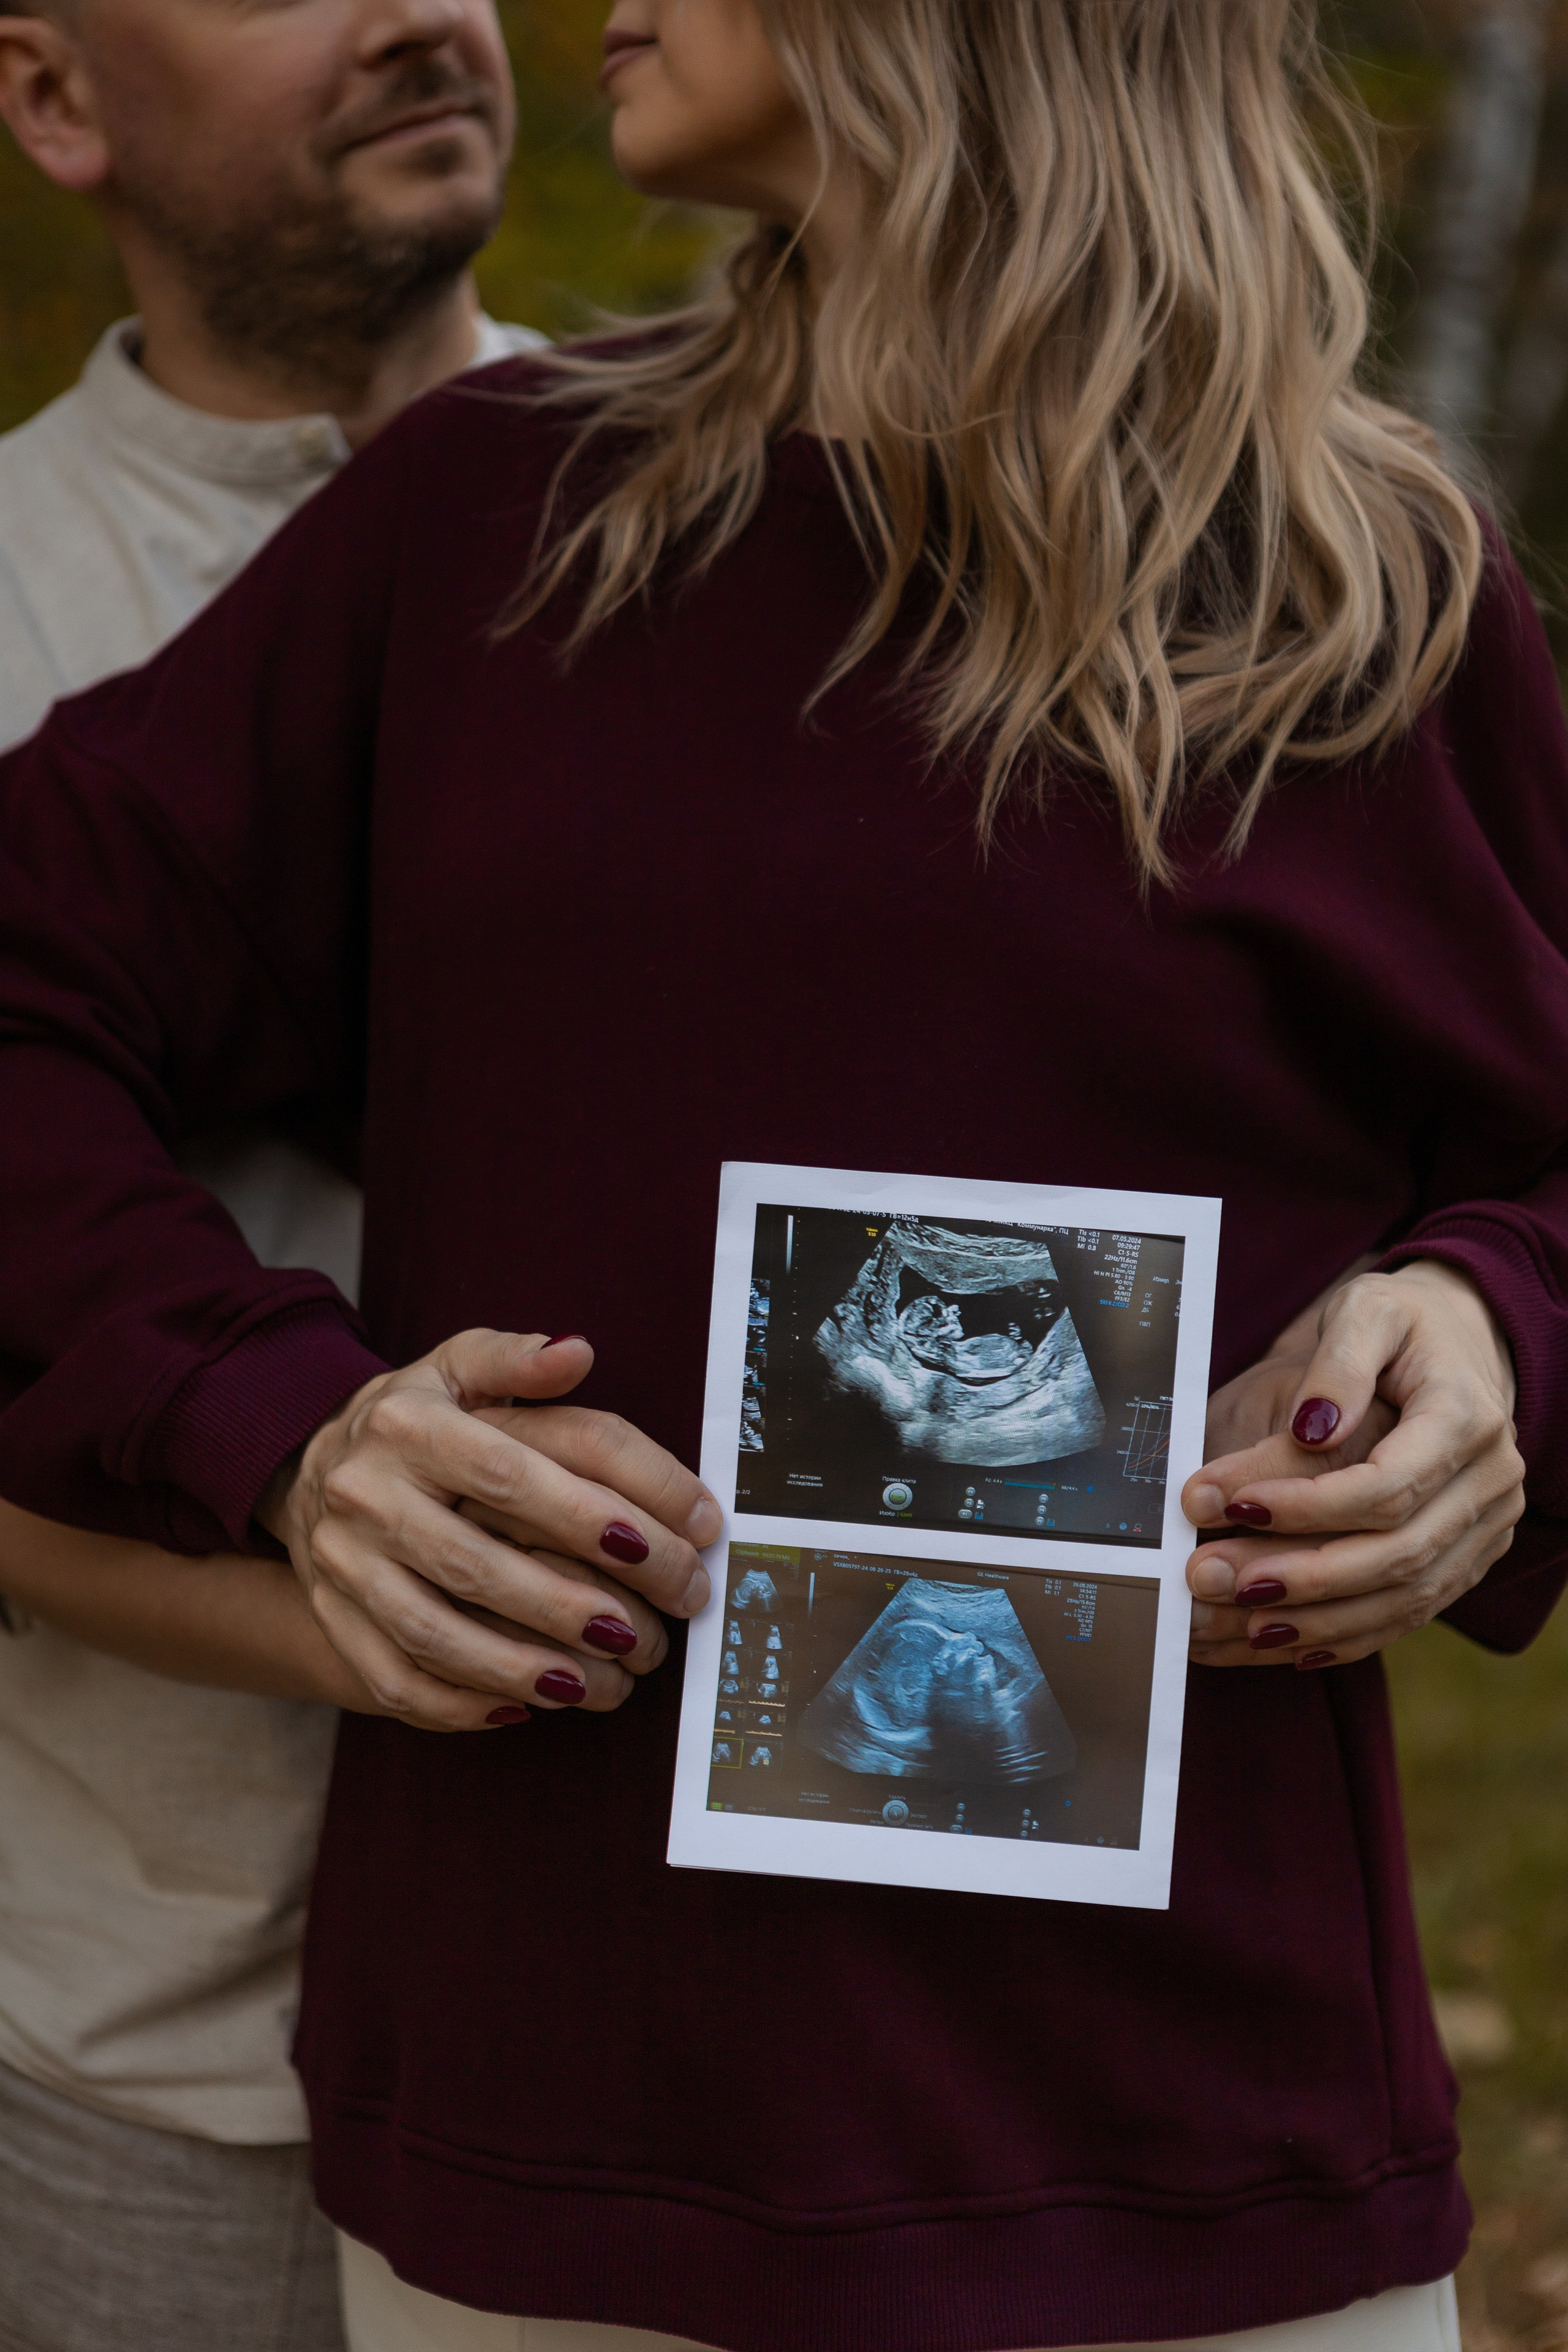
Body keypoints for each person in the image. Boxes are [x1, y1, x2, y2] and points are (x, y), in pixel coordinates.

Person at [0, 1, 1562, 2348]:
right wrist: (267, 1417)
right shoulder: (485, 523)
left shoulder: (1373, 583)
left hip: (1190, 2152)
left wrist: (1489, 1330)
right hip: (550, 2148)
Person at [0, 0, 540, 2342]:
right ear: (52, 100)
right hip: (155, 2088)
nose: (425, 9)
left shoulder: (764, 500)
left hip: (700, 2059)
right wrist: (396, 1601)